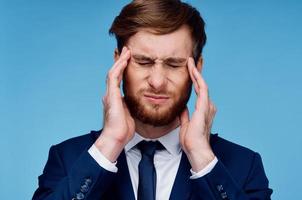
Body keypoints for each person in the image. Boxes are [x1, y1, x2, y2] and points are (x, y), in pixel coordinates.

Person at [32, 0, 273, 199]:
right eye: (144, 62)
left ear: (197, 68)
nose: (157, 81)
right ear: (119, 63)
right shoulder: (68, 158)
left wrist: (201, 155)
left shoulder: (243, 165)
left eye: (174, 64)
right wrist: (109, 144)